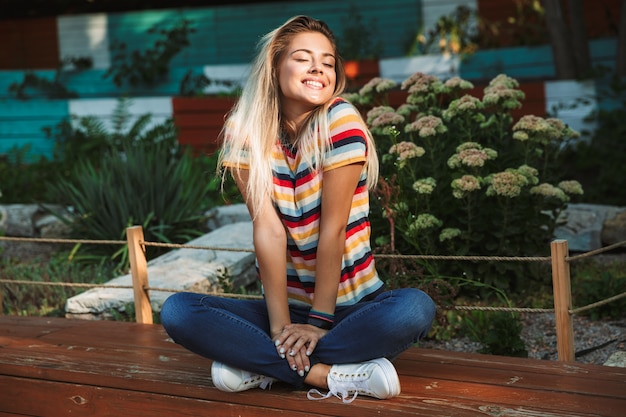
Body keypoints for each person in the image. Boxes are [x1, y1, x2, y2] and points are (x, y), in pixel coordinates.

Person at [160, 15, 436, 403]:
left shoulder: (340, 121)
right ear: (274, 66)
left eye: (327, 60)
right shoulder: (246, 130)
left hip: (351, 309)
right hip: (286, 311)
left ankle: (262, 367)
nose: (318, 67)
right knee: (178, 312)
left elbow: (332, 230)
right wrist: (280, 328)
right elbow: (269, 231)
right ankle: (328, 375)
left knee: (412, 310)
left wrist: (319, 324)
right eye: (303, 58)